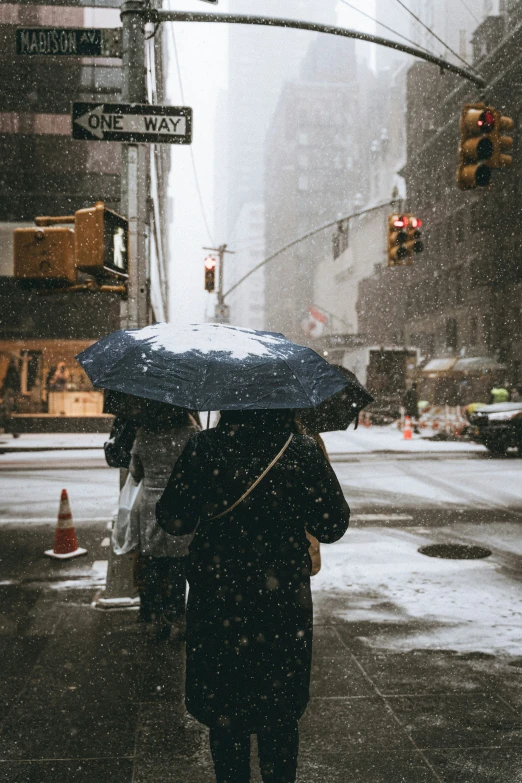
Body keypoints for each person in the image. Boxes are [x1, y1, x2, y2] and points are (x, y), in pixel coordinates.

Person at [156, 409, 350, 783]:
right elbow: (332, 523)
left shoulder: (204, 448)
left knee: (226, 714)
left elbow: (172, 519)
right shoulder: (301, 451)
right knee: (279, 714)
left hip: (219, 597)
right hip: (281, 602)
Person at [129, 400, 200, 638]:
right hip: (180, 503)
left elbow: (135, 473)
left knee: (153, 561)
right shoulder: (191, 433)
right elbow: (198, 467)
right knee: (178, 564)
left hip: (150, 504)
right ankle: (178, 619)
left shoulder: (143, 433)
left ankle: (155, 621)